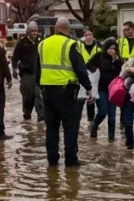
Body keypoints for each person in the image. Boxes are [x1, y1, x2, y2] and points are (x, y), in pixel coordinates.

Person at [36, 17, 92, 167]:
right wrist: (88, 87)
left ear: (55, 28)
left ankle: (52, 159)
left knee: (51, 127)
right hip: (66, 91)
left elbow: (37, 69)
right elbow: (80, 69)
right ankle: (71, 161)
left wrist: (40, 87)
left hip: (47, 90)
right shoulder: (70, 44)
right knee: (70, 127)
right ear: (69, 30)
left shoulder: (42, 44)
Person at [88, 38, 123, 140]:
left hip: (113, 90)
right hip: (101, 88)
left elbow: (120, 73)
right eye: (110, 48)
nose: (112, 50)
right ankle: (94, 126)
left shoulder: (118, 59)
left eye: (114, 48)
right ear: (106, 48)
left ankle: (111, 139)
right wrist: (94, 70)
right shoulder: (99, 56)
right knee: (103, 112)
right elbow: (88, 64)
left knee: (112, 116)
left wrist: (116, 61)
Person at [10, 21, 44, 121]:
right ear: (28, 31)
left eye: (36, 31)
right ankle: (27, 113)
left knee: (38, 95)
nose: (34, 33)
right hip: (26, 74)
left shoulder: (41, 42)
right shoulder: (22, 42)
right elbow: (15, 58)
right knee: (28, 96)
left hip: (38, 73)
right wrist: (14, 69)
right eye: (32, 31)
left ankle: (41, 116)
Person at [79, 31, 100, 123]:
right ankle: (77, 119)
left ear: (93, 36)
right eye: (86, 35)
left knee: (91, 98)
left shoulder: (98, 48)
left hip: (93, 74)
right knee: (80, 99)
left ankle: (90, 120)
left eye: (90, 34)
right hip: (81, 73)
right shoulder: (78, 46)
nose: (88, 37)